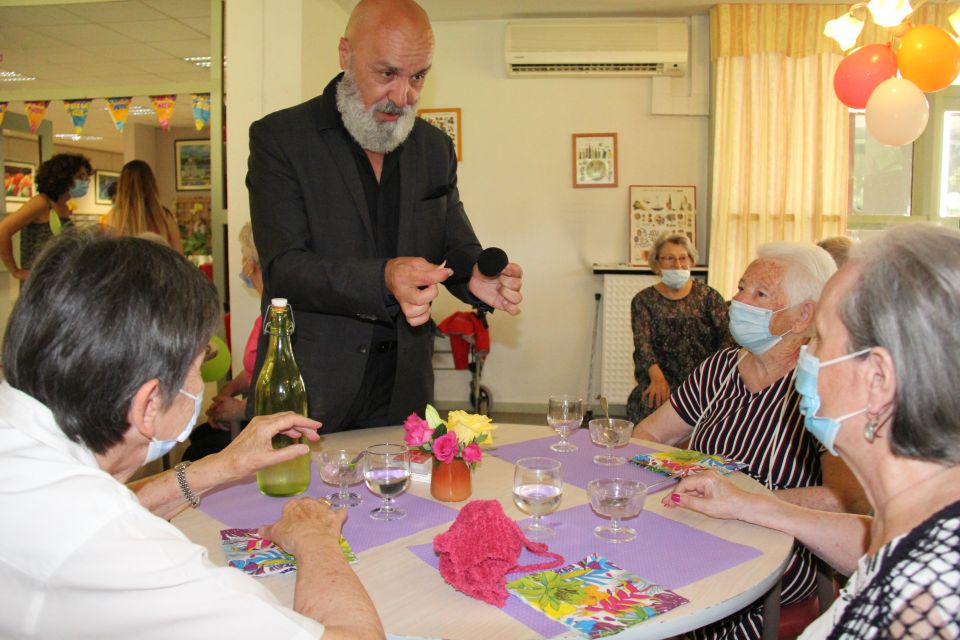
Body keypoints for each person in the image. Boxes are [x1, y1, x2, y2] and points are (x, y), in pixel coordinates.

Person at [0, 229, 383, 640]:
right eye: (198, 368)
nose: (200, 387)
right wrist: (314, 538)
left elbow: (88, 506)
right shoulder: (122, 554)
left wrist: (222, 466)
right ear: (149, 403)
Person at [665, 224, 960, 638]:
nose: (805, 353)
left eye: (820, 338)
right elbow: (876, 544)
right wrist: (746, 504)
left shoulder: (922, 605)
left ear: (877, 379)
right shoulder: (923, 516)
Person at [246, 0, 523, 433]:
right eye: (387, 74)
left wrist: (471, 275)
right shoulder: (280, 139)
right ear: (345, 55)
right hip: (312, 385)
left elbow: (454, 243)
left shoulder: (434, 148)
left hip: (404, 388)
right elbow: (284, 268)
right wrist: (383, 278)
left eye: (418, 77)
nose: (404, 96)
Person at [633, 241, 867, 640]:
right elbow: (647, 435)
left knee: (665, 588)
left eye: (760, 294)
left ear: (803, 315)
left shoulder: (822, 385)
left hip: (782, 547)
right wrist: (684, 482)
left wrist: (744, 502)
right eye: (741, 287)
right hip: (697, 523)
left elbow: (843, 499)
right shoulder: (721, 367)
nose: (737, 300)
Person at [626, 232, 733, 423]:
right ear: (657, 263)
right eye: (669, 258)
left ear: (691, 261)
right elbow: (643, 347)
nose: (677, 264)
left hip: (703, 380)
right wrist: (657, 379)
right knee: (645, 407)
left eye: (683, 258)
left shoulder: (709, 297)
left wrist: (712, 381)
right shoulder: (643, 300)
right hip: (661, 379)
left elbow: (727, 340)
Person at [182, 222, 263, 461]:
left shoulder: (285, 315)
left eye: (244, 258)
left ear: (251, 264)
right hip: (254, 413)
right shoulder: (265, 315)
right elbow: (254, 369)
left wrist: (239, 410)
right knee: (200, 437)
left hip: (266, 419)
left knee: (196, 452)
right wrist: (228, 391)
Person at [0, 152, 92, 280]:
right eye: (80, 176)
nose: (86, 180)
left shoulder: (63, 207)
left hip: (58, 280)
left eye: (86, 176)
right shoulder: (41, 202)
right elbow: (3, 230)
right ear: (64, 177)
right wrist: (15, 271)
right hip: (40, 281)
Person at [105, 159, 183, 253]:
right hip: (159, 267)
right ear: (151, 184)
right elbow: (179, 257)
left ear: (122, 185)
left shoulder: (113, 217)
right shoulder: (164, 217)